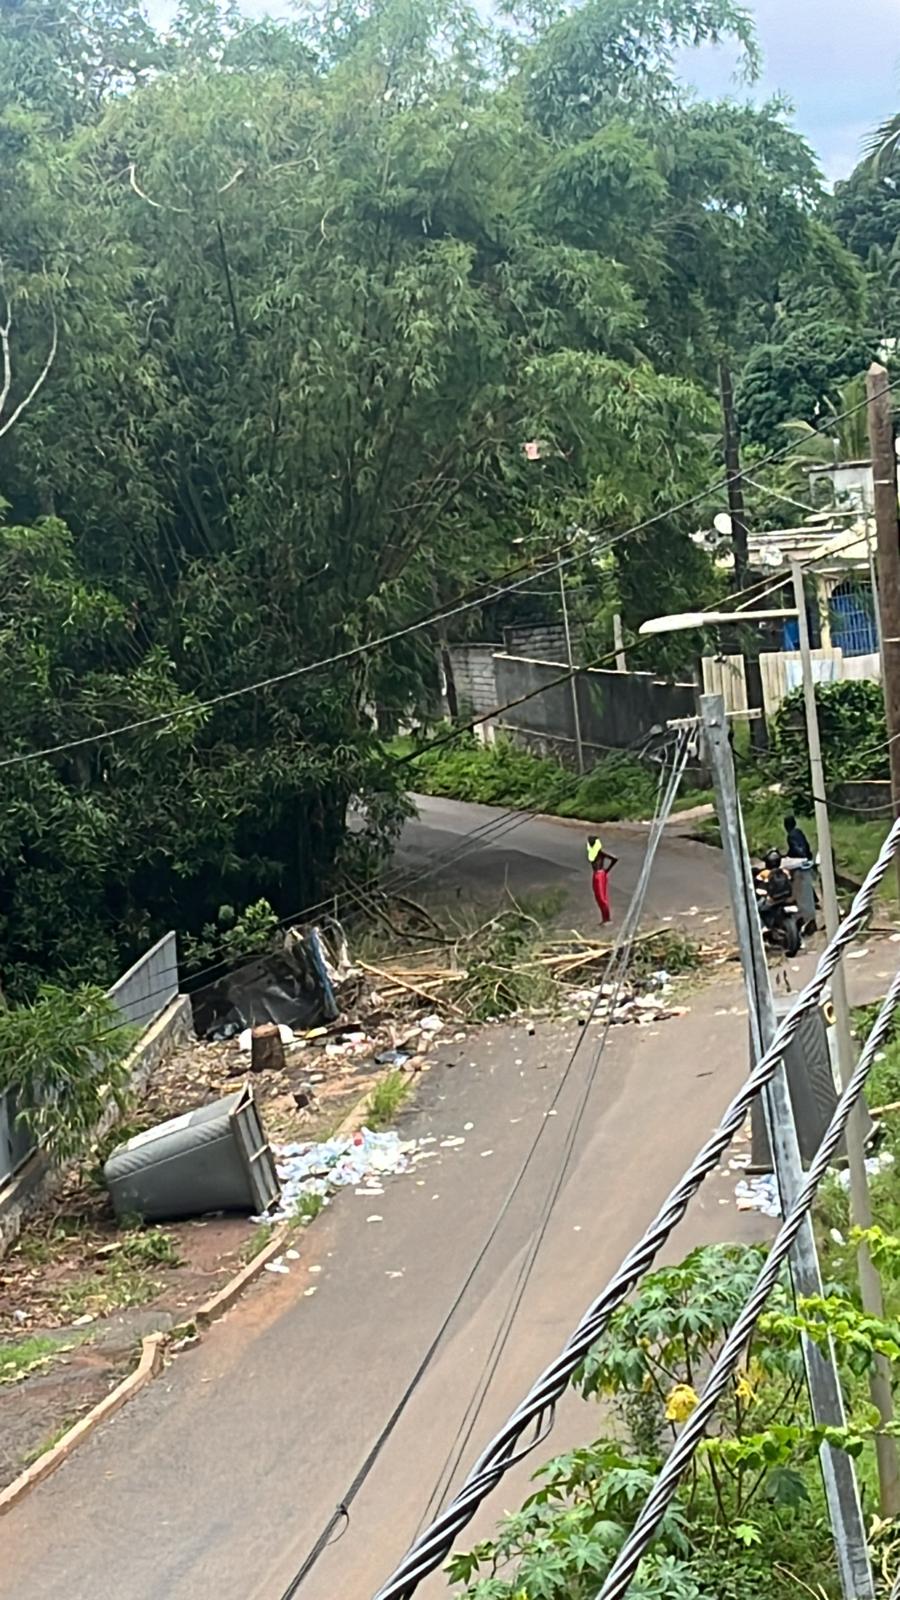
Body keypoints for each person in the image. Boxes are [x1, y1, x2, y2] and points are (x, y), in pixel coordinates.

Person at [587, 835, 618, 924]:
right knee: (598, 897)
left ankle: (607, 919)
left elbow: (614, 859)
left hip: (600, 874)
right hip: (596, 874)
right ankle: (604, 918)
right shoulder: (592, 853)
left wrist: (607, 870)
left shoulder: (600, 852)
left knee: (602, 897)